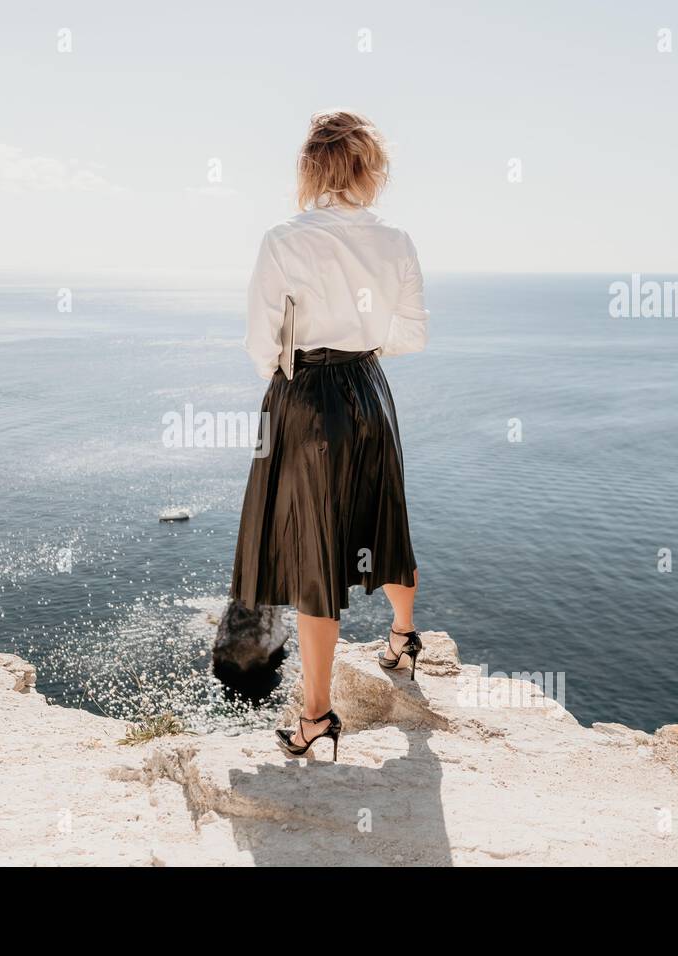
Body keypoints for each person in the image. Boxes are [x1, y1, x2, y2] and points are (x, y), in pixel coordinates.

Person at [230, 109, 430, 761]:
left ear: (310, 170)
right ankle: (403, 636)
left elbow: (262, 344)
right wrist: (362, 351)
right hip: (370, 392)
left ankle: (315, 717)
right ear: (370, 171)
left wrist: (295, 378)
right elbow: (411, 336)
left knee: (316, 559)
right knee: (383, 525)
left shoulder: (284, 239)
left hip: (307, 399)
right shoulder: (396, 240)